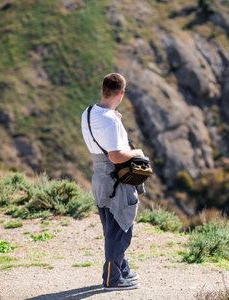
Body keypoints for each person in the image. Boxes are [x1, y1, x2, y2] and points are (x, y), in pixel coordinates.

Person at [81, 73, 144, 291]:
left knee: (111, 227)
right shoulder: (109, 120)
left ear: (102, 89)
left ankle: (122, 268)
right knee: (121, 229)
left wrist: (116, 122)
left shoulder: (88, 113)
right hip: (116, 181)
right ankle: (112, 279)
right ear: (122, 93)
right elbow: (116, 156)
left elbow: (102, 142)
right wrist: (137, 152)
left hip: (99, 179)